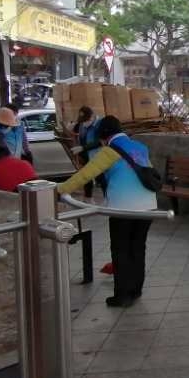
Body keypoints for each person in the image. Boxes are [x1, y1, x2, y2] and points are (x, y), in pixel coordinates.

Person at [57, 116, 157, 308]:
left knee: (121, 249)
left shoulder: (109, 151)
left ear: (104, 136)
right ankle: (135, 290)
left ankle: (122, 295)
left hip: (123, 208)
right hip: (148, 206)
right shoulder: (140, 147)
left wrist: (59, 190)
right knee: (137, 248)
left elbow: (85, 175)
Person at [71, 106, 103, 199]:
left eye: (86, 120)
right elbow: (79, 136)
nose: (84, 123)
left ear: (92, 116)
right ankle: (88, 198)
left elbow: (100, 141)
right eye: (83, 120)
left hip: (97, 156)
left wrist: (83, 148)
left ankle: (109, 199)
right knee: (86, 177)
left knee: (101, 179)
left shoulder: (100, 124)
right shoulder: (82, 125)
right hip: (85, 155)